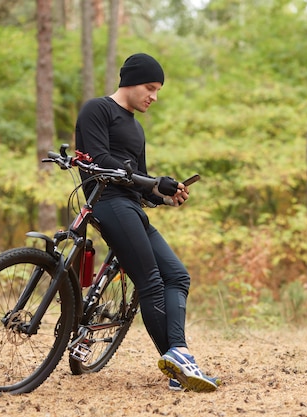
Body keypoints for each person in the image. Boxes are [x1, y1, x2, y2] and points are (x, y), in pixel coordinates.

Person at [74, 53, 220, 392]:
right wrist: (154, 181)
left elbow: (138, 179)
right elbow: (99, 160)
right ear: (130, 81)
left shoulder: (136, 128)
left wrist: (164, 194)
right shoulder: (98, 110)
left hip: (132, 207)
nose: (153, 96)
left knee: (178, 276)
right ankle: (178, 366)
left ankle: (178, 353)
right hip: (107, 201)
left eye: (157, 90)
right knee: (151, 281)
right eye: (150, 87)